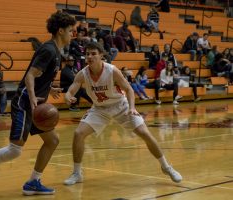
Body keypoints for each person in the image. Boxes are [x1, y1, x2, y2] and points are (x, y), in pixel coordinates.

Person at [0, 11, 76, 198]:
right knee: (15, 150)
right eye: (71, 30)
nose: (73, 34)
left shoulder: (56, 51)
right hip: (25, 102)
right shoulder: (49, 50)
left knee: (52, 140)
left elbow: (39, 78)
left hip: (35, 103)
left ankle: (33, 182)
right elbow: (29, 75)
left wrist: (49, 89)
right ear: (60, 31)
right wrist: (32, 97)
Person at [63, 42, 182, 186]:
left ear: (101, 55)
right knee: (78, 134)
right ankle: (77, 173)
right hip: (99, 109)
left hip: (121, 106)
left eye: (93, 53)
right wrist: (68, 96)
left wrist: (132, 107)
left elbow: (129, 89)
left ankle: (166, 167)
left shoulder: (112, 70)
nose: (90, 56)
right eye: (87, 54)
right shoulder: (83, 73)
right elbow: (73, 88)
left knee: (145, 133)